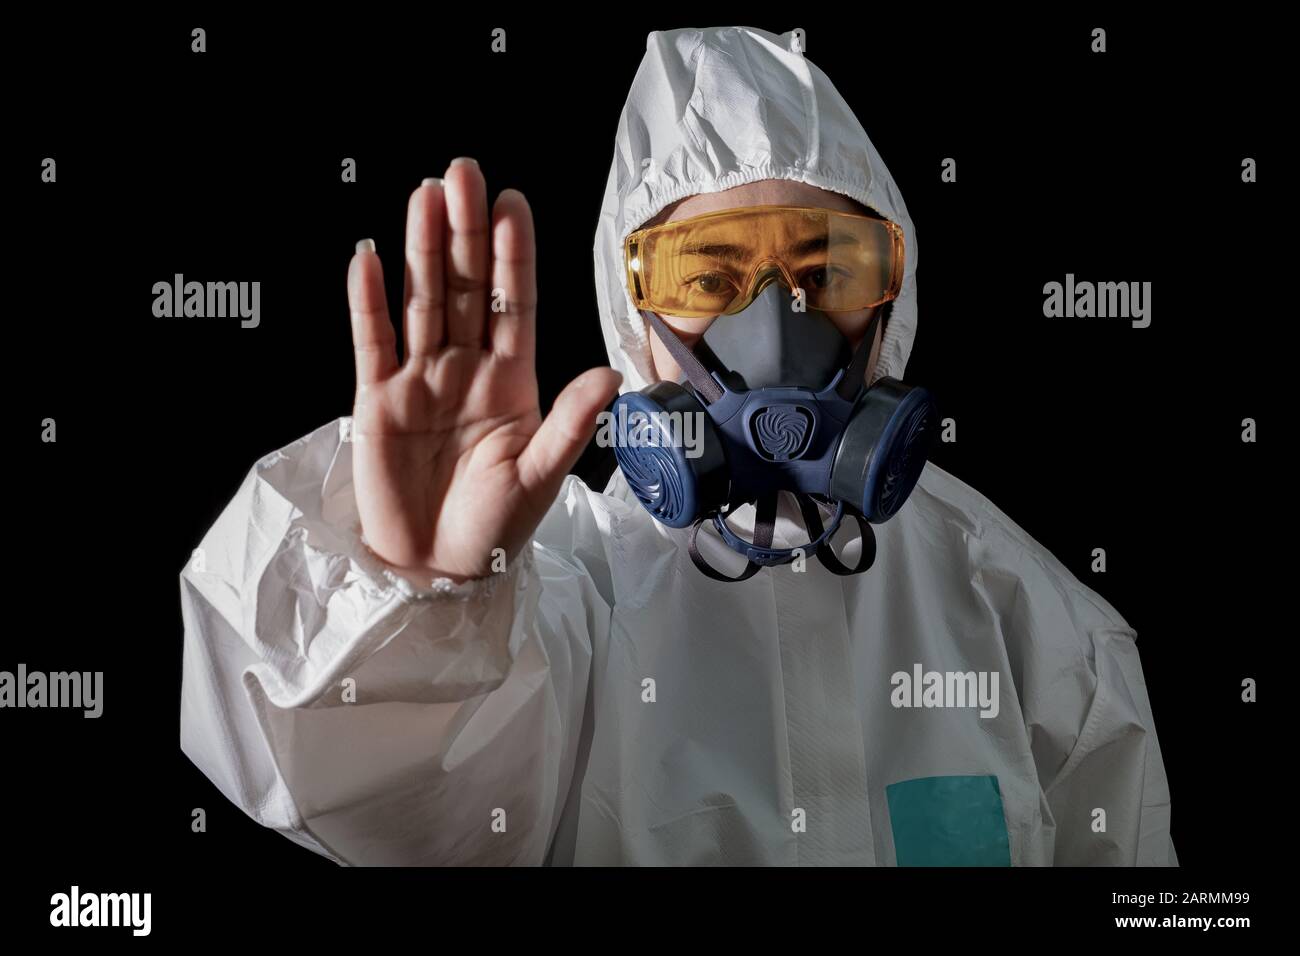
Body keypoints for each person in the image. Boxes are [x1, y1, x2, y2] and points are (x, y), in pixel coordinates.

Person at [179, 25, 1176, 866]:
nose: (777, 324)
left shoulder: (1029, 622)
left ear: (892, 298)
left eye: (826, 269)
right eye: (708, 279)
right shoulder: (557, 597)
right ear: (632, 315)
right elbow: (395, 807)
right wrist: (420, 594)